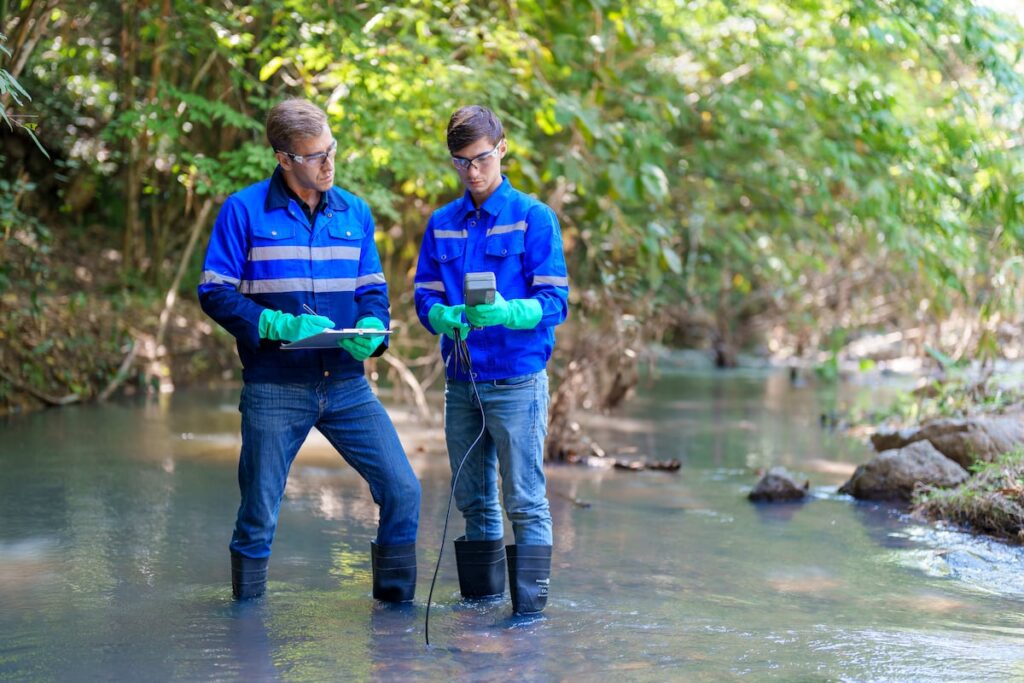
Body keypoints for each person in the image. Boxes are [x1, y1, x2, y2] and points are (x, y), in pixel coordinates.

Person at [198, 98, 420, 603]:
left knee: (404, 490)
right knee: (259, 510)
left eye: (331, 150)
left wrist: (373, 326)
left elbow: (373, 292)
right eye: (314, 155)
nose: (328, 163)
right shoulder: (244, 210)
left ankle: (395, 625)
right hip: (275, 385)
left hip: (346, 385)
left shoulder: (355, 212)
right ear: (283, 158)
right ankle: (245, 637)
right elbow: (214, 291)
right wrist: (274, 323)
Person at [413, 105, 569, 614]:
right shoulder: (441, 224)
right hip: (462, 382)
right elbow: (424, 298)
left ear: (501, 148)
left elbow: (555, 304)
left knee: (524, 499)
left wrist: (507, 312)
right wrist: (443, 316)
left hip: (519, 380)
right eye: (461, 162)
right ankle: (480, 612)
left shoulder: (534, 218)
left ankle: (529, 619)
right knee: (474, 501)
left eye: (480, 158)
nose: (472, 171)